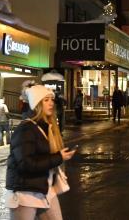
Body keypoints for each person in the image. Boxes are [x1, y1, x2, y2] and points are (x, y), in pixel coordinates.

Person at [5, 85, 76, 219]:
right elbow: (26, 164)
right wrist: (58, 157)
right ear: (36, 104)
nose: (51, 103)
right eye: (46, 100)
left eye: (51, 100)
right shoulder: (26, 129)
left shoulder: (46, 127)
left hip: (45, 190)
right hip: (25, 194)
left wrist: (61, 156)